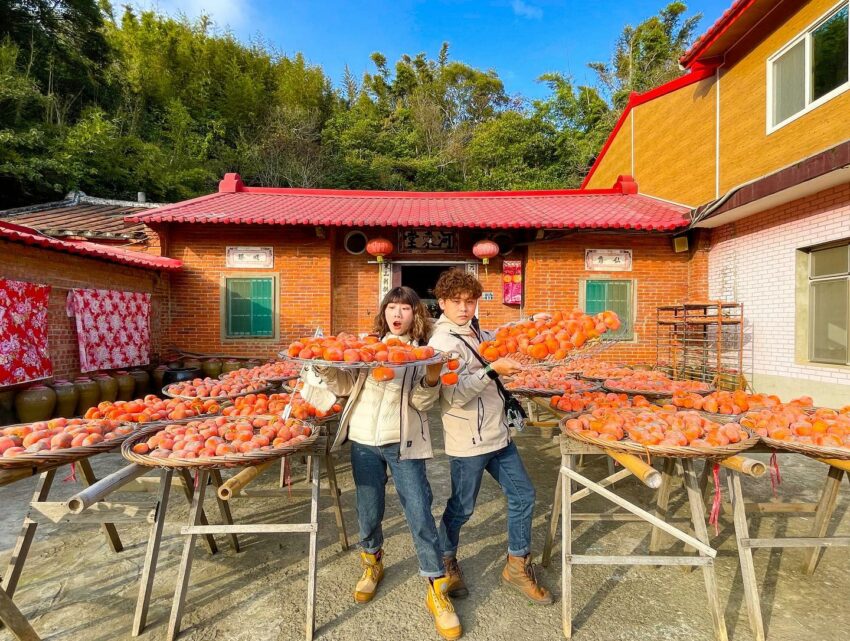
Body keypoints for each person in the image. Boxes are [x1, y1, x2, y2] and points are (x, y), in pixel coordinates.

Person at [310, 286, 463, 640]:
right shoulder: (367, 348)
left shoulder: (422, 355)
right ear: (384, 312)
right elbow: (345, 385)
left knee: (419, 511)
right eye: (392, 307)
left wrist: (432, 376)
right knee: (368, 508)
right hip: (364, 440)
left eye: (405, 309)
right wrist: (325, 366)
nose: (397, 314)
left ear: (415, 315)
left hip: (404, 442)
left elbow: (424, 404)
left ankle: (435, 586)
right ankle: (372, 562)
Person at [428, 269, 552, 605]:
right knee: (462, 507)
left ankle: (516, 563)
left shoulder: (474, 330)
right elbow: (453, 397)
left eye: (470, 301)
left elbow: (502, 337)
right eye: (456, 302)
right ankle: (446, 559)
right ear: (442, 303)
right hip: (468, 440)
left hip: (498, 435)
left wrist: (535, 323)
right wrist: (492, 369)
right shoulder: (442, 344)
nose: (464, 308)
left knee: (524, 495)